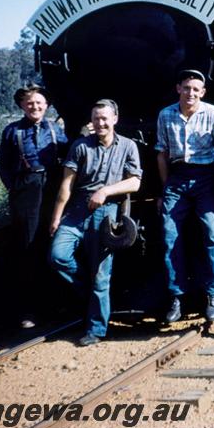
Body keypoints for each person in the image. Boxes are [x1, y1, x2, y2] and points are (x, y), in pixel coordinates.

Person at [48, 99, 142, 346]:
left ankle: (96, 329)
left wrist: (106, 191)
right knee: (58, 255)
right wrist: (57, 217)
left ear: (115, 119)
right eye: (96, 118)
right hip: (77, 210)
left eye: (104, 118)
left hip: (106, 211)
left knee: (101, 274)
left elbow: (135, 182)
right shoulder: (80, 147)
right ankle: (88, 293)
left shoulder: (128, 146)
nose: (100, 123)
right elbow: (66, 185)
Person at [156, 69, 214, 323]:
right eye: (186, 88)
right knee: (169, 236)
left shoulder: (213, 114)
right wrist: (165, 188)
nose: (191, 93)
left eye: (196, 89)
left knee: (211, 233)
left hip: (206, 178)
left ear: (203, 92)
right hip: (176, 178)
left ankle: (213, 294)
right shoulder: (165, 115)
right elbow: (162, 155)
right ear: (179, 88)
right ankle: (176, 296)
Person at [0, 84, 68, 329]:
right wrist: (15, 190)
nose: (35, 107)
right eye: (30, 103)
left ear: (46, 105)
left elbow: (69, 155)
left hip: (51, 188)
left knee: (52, 242)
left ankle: (57, 305)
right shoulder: (11, 131)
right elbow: (3, 165)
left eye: (39, 103)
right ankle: (28, 310)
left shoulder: (55, 129)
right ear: (22, 106)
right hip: (25, 190)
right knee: (27, 249)